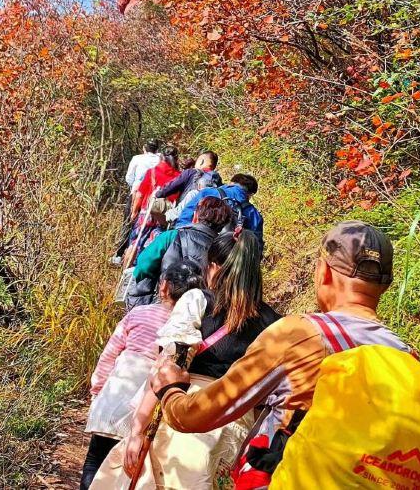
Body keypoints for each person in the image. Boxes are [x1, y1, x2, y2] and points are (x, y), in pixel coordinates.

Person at [150, 222, 414, 486]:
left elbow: (195, 415)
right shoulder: (408, 359)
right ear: (386, 285)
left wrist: (170, 391)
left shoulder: (299, 335)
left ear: (324, 273)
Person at [93, 230, 280, 488]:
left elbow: (167, 369)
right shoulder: (275, 323)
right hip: (233, 431)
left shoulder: (197, 300)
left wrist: (137, 430)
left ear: (213, 267)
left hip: (185, 414)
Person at [80, 262, 202, 489]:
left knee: (95, 460)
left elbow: (109, 354)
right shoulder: (190, 328)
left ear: (163, 286)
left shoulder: (138, 313)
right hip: (148, 407)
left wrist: (97, 390)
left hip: (115, 396)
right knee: (128, 474)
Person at [124, 197, 232, 310]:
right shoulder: (222, 250)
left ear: (196, 215)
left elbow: (143, 266)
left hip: (165, 303)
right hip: (199, 312)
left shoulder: (171, 236)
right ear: (224, 224)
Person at [173, 173, 264, 248]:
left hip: (193, 241)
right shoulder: (254, 214)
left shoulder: (208, 193)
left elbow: (186, 215)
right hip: (223, 257)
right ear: (250, 194)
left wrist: (178, 237)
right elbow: (256, 245)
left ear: (230, 183)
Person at [111, 140, 161, 265]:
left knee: (128, 223)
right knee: (147, 226)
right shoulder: (160, 160)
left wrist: (134, 185)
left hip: (136, 193)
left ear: (145, 148)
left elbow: (129, 177)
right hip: (154, 198)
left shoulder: (137, 159)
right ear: (157, 149)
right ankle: (139, 257)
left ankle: (119, 255)